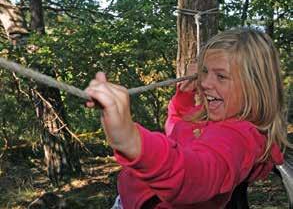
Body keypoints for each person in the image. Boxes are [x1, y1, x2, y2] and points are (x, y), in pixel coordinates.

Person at [85, 28, 289, 209]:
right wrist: (184, 96)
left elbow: (197, 174)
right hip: (129, 200)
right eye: (204, 71)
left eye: (221, 76)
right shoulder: (213, 116)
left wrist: (131, 141)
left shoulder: (239, 137)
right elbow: (176, 129)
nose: (205, 82)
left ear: (255, 87)